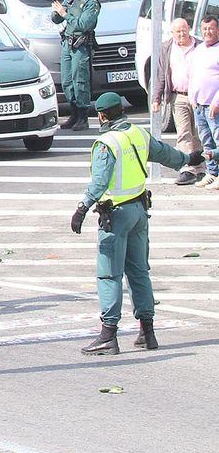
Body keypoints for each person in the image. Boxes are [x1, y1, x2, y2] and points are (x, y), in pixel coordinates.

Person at [71, 92, 200, 356]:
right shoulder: (138, 133)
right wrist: (189, 159)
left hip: (115, 216)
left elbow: (100, 182)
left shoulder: (107, 143)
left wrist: (82, 208)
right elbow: (166, 155)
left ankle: (108, 335)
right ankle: (147, 332)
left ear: (102, 116)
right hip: (139, 212)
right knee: (139, 271)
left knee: (109, 274)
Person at [148, 17, 200, 185]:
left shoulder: (199, 46)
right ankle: (187, 169)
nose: (181, 34)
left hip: (199, 97)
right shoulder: (167, 48)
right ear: (172, 33)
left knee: (199, 133)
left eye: (184, 30)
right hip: (178, 96)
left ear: (189, 28)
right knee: (184, 134)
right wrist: (156, 98)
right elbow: (160, 75)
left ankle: (200, 168)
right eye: (178, 31)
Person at [51, 0, 100, 130]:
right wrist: (56, 12)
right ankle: (73, 113)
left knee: (80, 80)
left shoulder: (91, 3)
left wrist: (65, 14)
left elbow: (83, 25)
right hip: (67, 43)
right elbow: (56, 19)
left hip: (80, 45)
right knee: (66, 81)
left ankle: (83, 116)